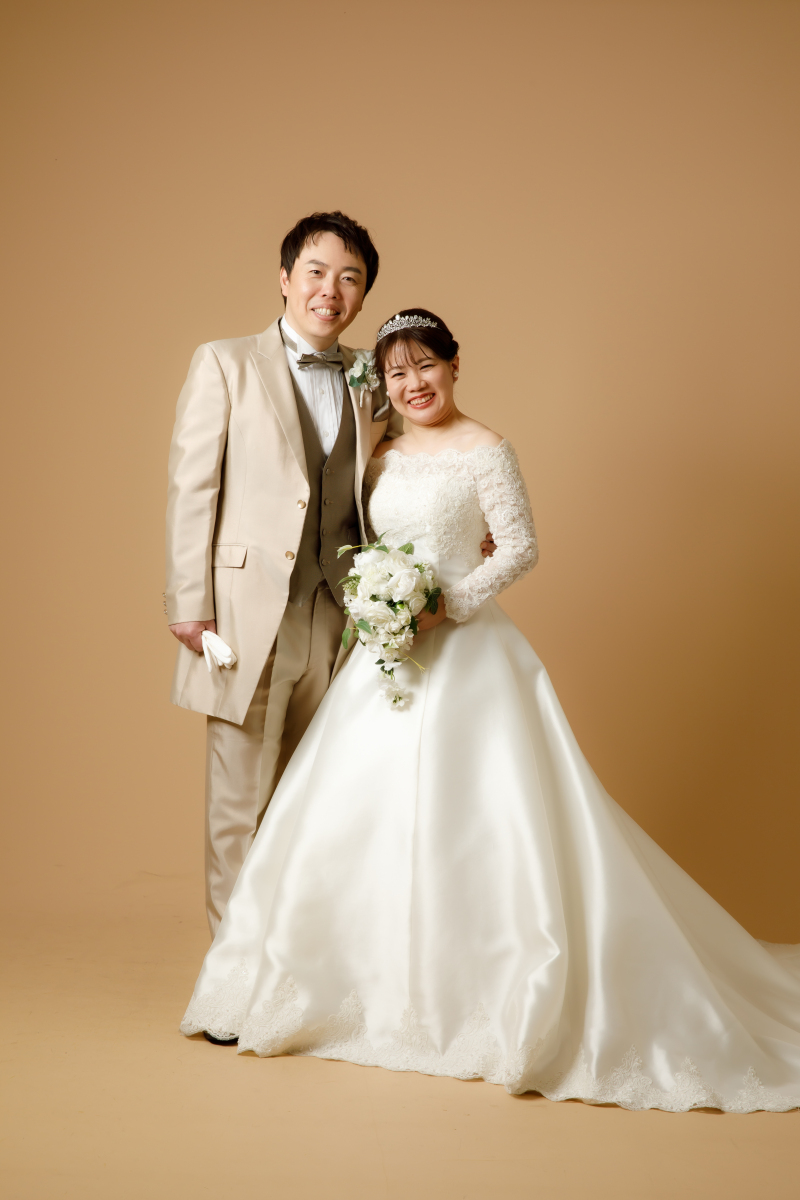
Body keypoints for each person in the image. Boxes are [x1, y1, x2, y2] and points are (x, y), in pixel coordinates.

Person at [181, 309, 800, 1112]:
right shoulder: (379, 452)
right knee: (356, 816)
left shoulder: (487, 448)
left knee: (482, 820)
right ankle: (351, 983)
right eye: (397, 373)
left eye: (426, 366)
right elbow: (353, 536)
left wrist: (448, 603)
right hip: (383, 654)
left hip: (466, 651)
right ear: (384, 385)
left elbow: (520, 546)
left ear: (453, 365)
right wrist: (381, 603)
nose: (413, 383)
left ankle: (477, 988)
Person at [166, 214, 499, 935]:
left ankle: (293, 956)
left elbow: (408, 462)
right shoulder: (224, 362)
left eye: (350, 279)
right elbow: (193, 486)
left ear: (362, 296)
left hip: (340, 616)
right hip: (243, 615)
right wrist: (190, 602)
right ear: (285, 279)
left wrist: (474, 514)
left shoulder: (368, 376)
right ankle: (233, 967)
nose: (331, 290)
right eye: (316, 272)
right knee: (239, 802)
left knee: (311, 796)